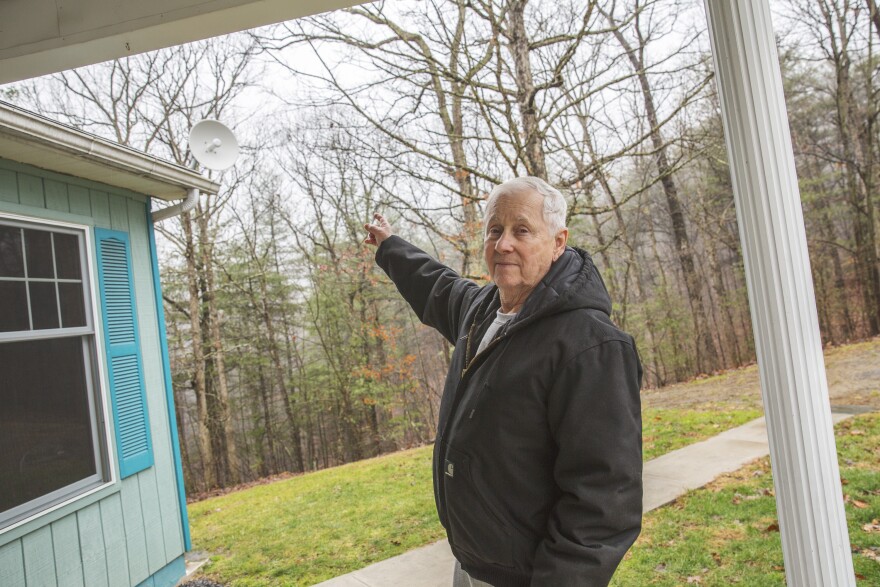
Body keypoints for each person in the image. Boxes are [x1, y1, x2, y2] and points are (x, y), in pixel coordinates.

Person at [364, 177, 643, 586]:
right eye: (494, 230)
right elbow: (436, 286)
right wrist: (390, 247)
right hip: (474, 562)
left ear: (559, 241)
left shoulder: (592, 346)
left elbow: (604, 501)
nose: (503, 244)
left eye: (522, 230)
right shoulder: (483, 308)